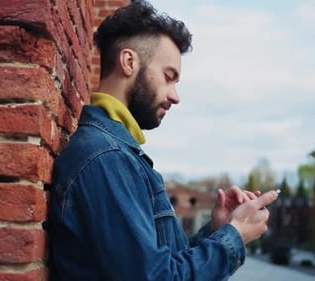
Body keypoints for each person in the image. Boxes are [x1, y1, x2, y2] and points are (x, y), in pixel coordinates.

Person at [48, 2, 279, 280]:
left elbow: (161, 262)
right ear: (129, 62)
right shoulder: (106, 159)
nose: (175, 96)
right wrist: (235, 236)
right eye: (168, 77)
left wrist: (217, 230)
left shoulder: (119, 155)